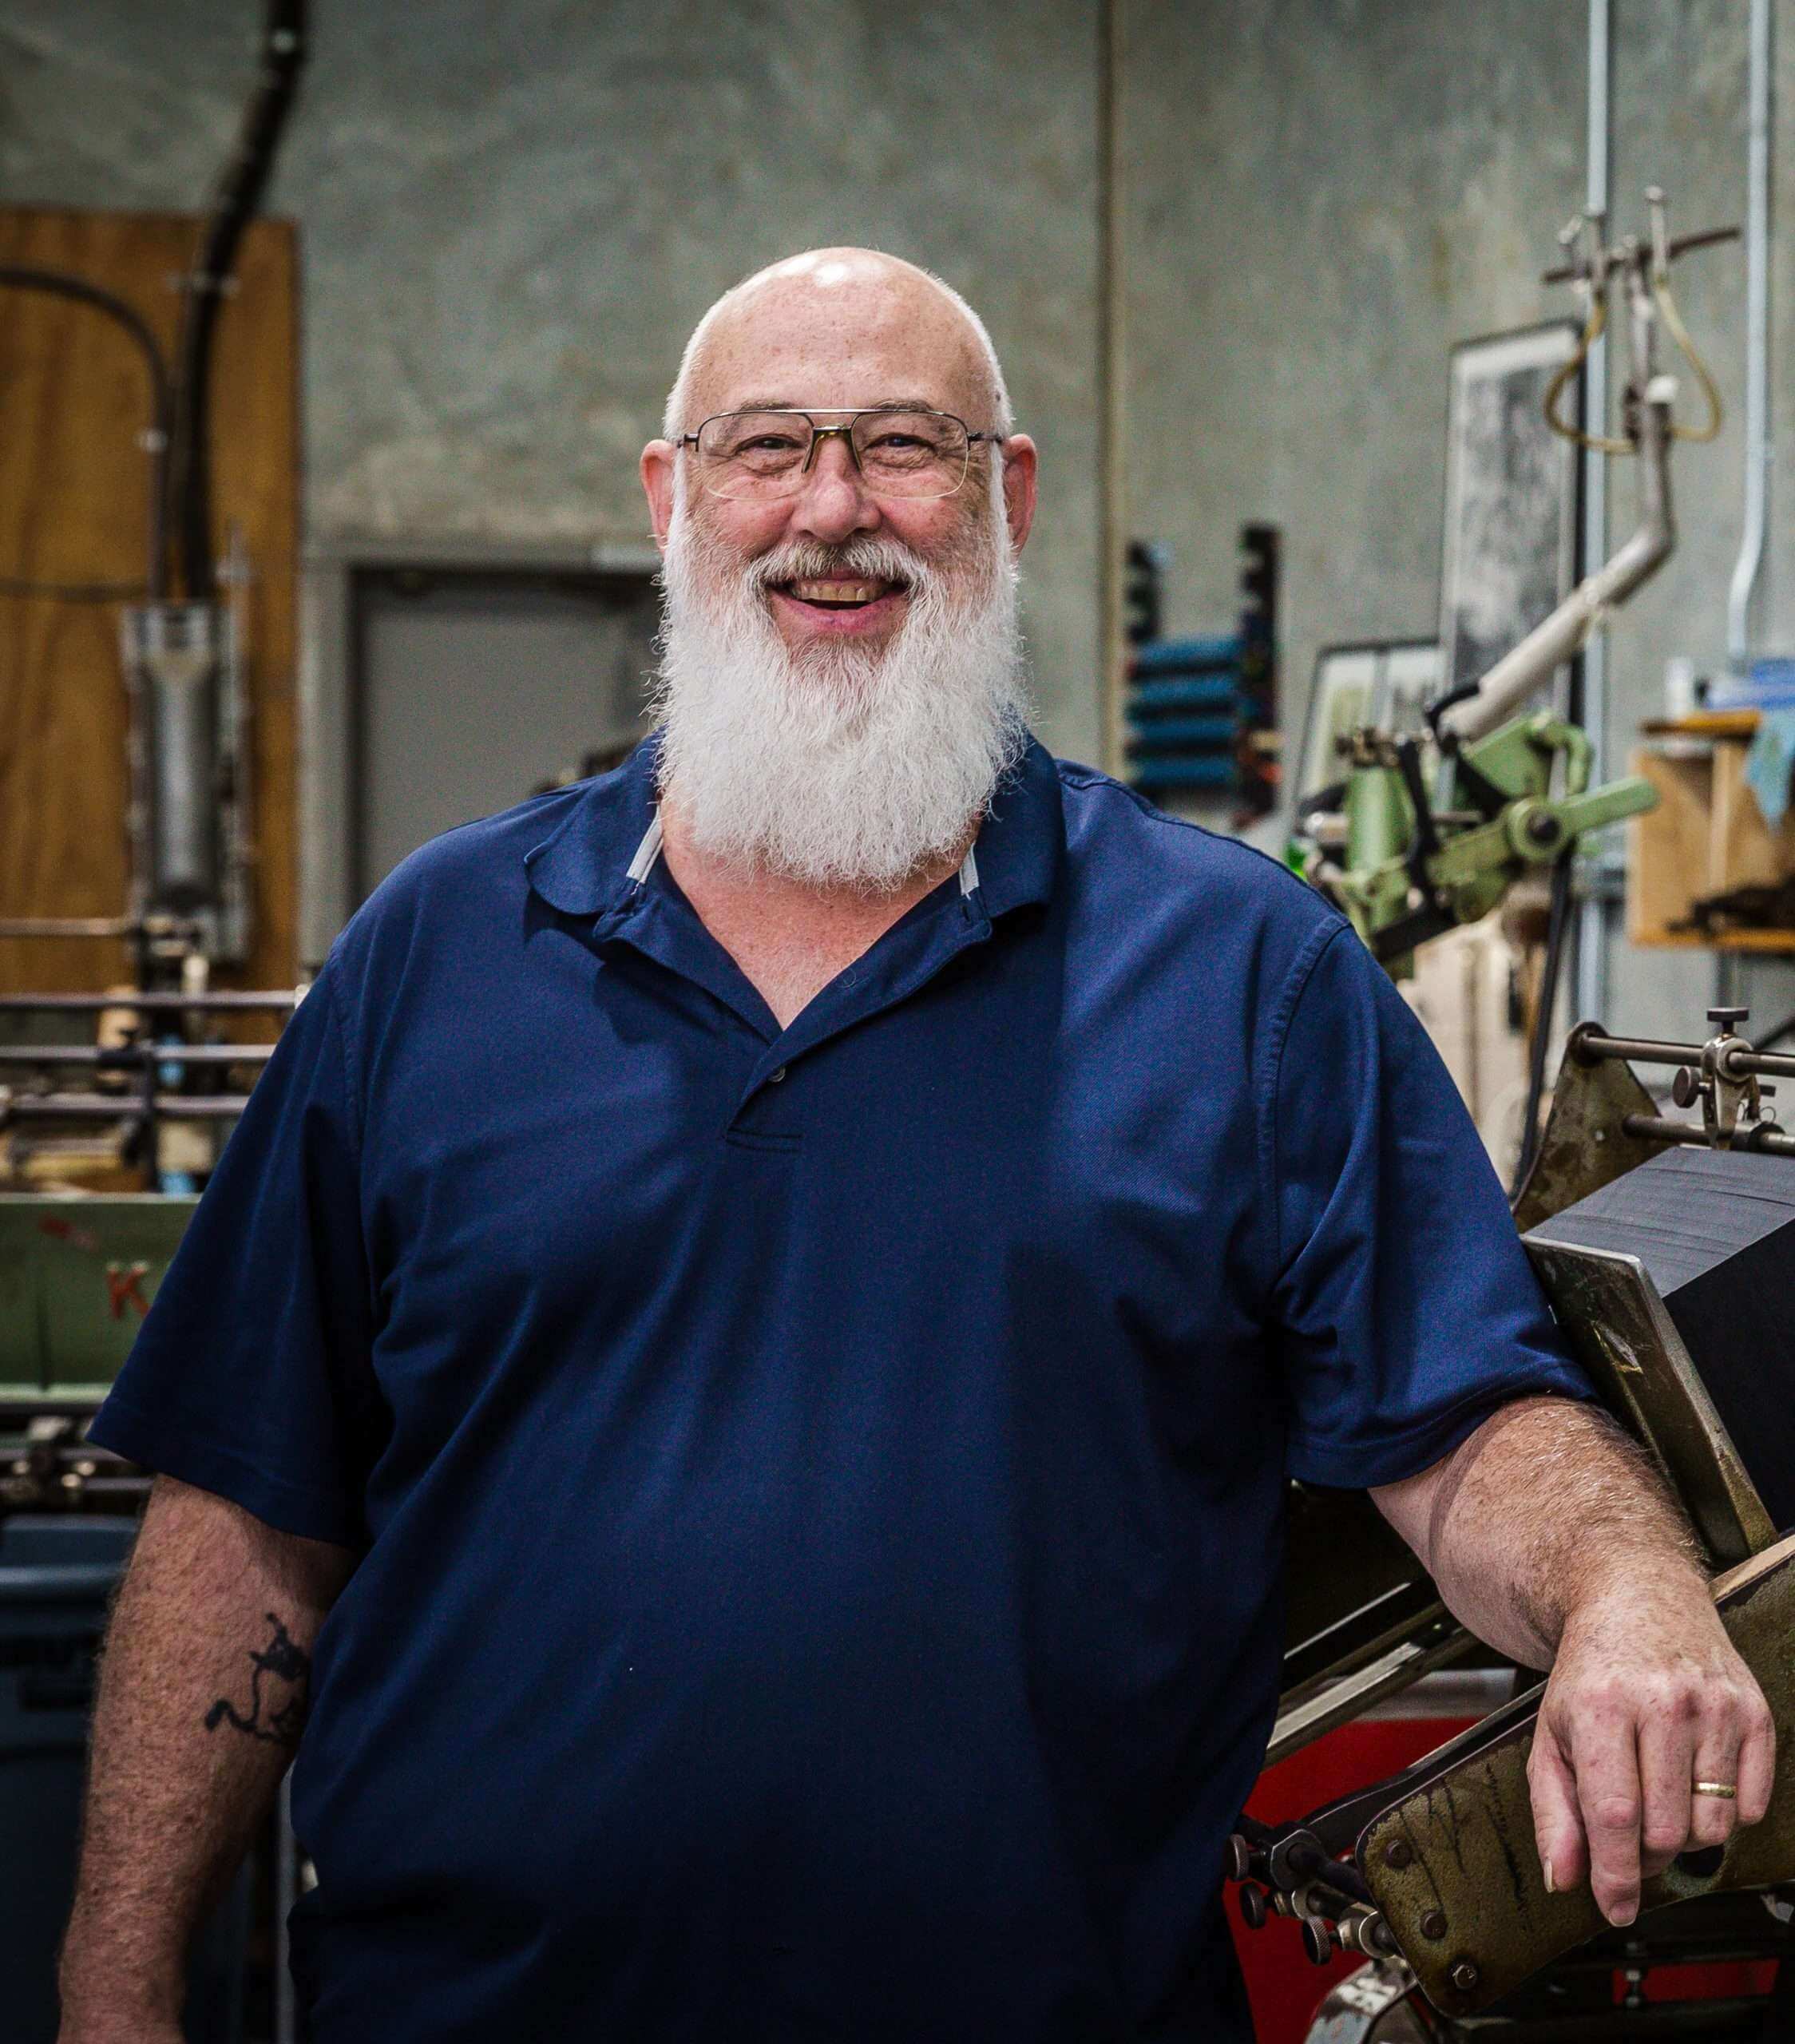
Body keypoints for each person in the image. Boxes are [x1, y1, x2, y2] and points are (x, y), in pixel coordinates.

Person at [61, 249, 1772, 2044]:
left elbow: (1459, 1416)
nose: (829, 511)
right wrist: (113, 1975)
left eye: (900, 446)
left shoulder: (1239, 974)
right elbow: (250, 1505)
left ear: (1004, 495)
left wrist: (1625, 1586)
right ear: (671, 500)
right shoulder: (432, 955)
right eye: (766, 448)